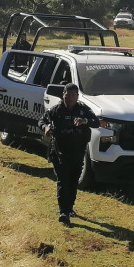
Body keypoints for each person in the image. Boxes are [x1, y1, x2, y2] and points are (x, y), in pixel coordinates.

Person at [38, 83, 100, 227]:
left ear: (77, 97)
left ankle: (69, 207)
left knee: (73, 181)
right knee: (63, 180)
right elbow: (41, 120)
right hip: (60, 152)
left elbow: (96, 122)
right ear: (63, 95)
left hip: (78, 152)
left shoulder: (83, 110)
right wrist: (46, 127)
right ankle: (63, 212)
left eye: (74, 95)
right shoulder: (56, 110)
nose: (71, 98)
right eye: (68, 95)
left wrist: (84, 121)